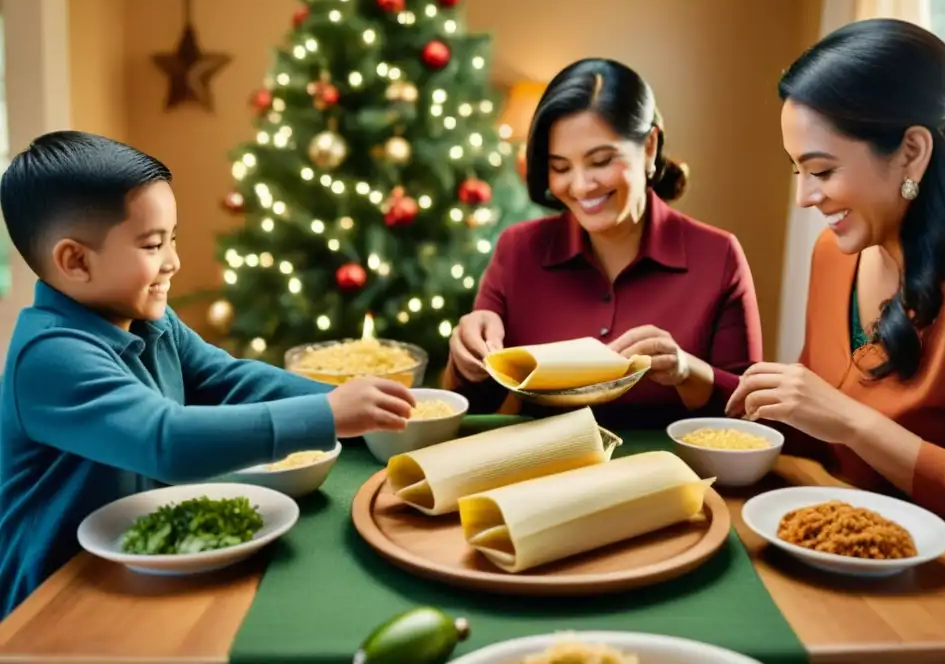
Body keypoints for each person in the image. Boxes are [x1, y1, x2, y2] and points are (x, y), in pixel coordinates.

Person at [0, 131, 415, 619]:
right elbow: (167, 440)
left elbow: (231, 380)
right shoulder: (49, 356)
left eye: (171, 239)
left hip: (137, 570)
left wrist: (353, 403)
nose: (173, 261)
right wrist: (326, 414)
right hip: (56, 602)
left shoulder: (150, 320)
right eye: (153, 245)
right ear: (75, 261)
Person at [725, 19, 945, 573]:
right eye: (797, 169)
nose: (804, 197)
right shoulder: (833, 256)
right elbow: (820, 431)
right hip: (846, 562)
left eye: (821, 170)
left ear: (911, 151)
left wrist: (852, 422)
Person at [444, 58, 762, 429]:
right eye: (560, 167)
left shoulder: (718, 255)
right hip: (543, 475)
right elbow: (477, 408)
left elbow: (750, 418)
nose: (580, 186)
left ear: (648, 146)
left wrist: (685, 369)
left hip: (675, 477)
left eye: (600, 161)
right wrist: (466, 359)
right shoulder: (518, 249)